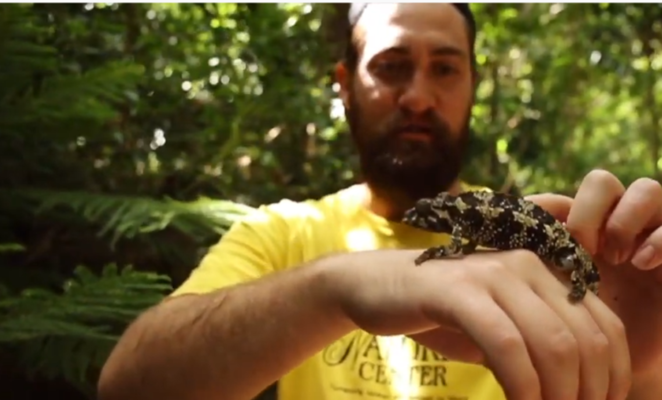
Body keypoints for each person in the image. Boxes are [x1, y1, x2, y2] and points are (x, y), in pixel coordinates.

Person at [97, 3, 662, 400]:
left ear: (473, 83)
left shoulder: (520, 244)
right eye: (391, 66)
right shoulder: (282, 236)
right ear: (344, 86)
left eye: (444, 68)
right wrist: (335, 287)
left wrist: (642, 367)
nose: (418, 96)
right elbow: (127, 385)